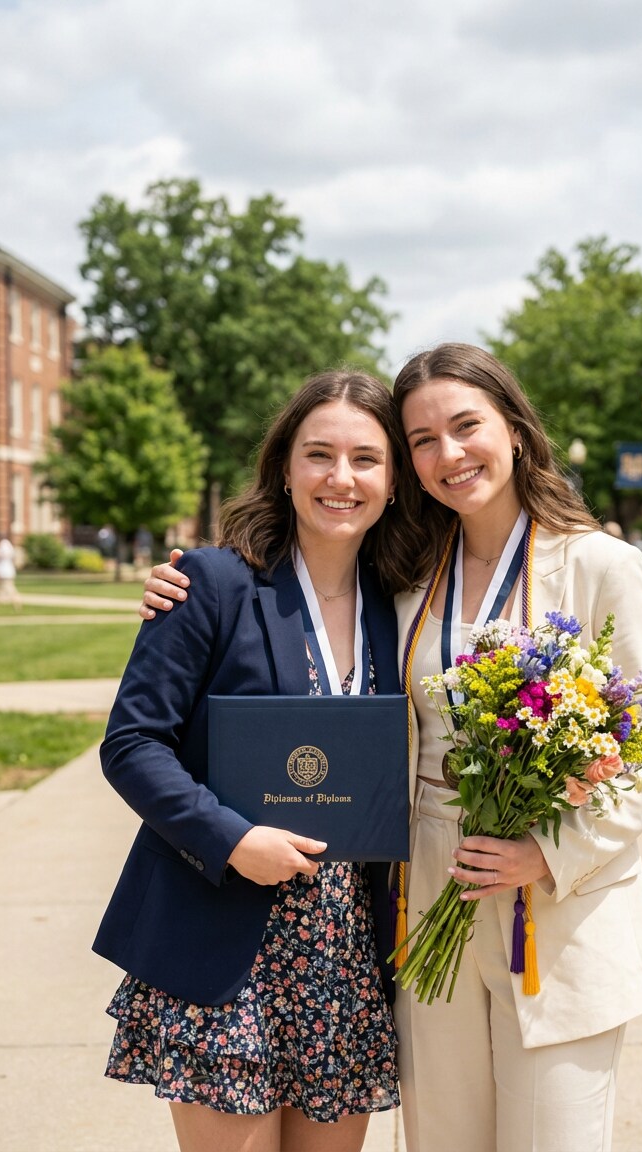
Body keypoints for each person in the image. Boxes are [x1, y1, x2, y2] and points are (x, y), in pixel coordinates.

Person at [143, 343, 642, 1152]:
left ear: (515, 428)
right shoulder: (407, 574)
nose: (448, 454)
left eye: (466, 426)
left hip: (558, 904)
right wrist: (174, 591)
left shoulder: (601, 566)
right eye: (422, 439)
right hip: (424, 887)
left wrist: (550, 852)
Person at [95, 370, 426, 1152]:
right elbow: (133, 743)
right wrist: (234, 840)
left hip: (344, 956)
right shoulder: (212, 583)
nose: (340, 478)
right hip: (226, 945)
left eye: (366, 459)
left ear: (392, 481)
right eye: (319, 454)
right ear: (285, 466)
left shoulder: (406, 602)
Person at [0, 531, 22, 610]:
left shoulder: (5, 545)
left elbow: (7, 555)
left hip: (6, 573)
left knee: (9, 589)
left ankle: (17, 603)